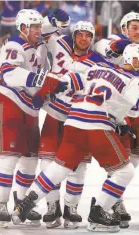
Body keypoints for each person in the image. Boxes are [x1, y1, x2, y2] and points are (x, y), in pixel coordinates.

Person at [11, 44, 139, 232]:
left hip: (74, 121)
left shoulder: (98, 68)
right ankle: (99, 212)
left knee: (59, 167)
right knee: (125, 172)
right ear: (134, 60)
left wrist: (55, 84)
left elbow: (73, 80)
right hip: (96, 126)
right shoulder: (133, 80)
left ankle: (24, 204)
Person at [0, 9, 68, 228]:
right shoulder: (14, 44)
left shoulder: (40, 43)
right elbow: (10, 75)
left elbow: (51, 28)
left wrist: (43, 93)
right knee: (9, 156)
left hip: (29, 107)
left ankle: (21, 203)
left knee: (31, 159)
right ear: (23, 28)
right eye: (34, 27)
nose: (38, 30)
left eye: (38, 26)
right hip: (9, 100)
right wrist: (42, 79)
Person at [38, 20, 108, 229]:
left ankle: (72, 208)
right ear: (74, 35)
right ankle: (52, 206)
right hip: (53, 113)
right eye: (80, 34)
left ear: (92, 39)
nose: (84, 38)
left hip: (79, 118)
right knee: (47, 163)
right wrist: (51, 21)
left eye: (88, 35)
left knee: (79, 167)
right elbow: (42, 32)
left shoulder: (97, 62)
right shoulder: (60, 44)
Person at [94, 11, 139, 228]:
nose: (138, 32)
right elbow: (101, 46)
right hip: (117, 115)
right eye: (134, 28)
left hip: (134, 114)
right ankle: (111, 204)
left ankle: (115, 200)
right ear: (124, 28)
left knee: (133, 162)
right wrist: (122, 45)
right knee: (120, 166)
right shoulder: (114, 43)